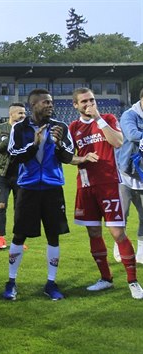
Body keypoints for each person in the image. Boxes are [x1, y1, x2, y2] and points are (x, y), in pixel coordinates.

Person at [68, 87, 143, 299]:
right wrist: (82, 159)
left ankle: (133, 281)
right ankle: (106, 279)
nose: (88, 104)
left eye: (91, 100)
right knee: (93, 233)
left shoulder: (108, 118)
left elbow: (118, 142)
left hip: (109, 184)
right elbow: (67, 157)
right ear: (75, 105)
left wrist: (98, 118)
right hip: (85, 187)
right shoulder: (73, 127)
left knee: (118, 232)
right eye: (83, 101)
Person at [3, 88, 74, 301]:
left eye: (51, 102)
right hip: (28, 188)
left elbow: (69, 156)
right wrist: (33, 144)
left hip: (53, 189)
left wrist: (59, 144)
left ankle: (51, 283)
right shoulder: (19, 128)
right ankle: (11, 281)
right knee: (19, 235)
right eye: (45, 102)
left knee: (53, 235)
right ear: (33, 105)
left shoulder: (61, 127)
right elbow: (14, 156)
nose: (50, 105)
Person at [0, 103, 26, 250]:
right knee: (1, 206)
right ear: (11, 114)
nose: (23, 116)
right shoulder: (1, 128)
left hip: (21, 175)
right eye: (20, 113)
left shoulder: (26, 130)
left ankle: (19, 240)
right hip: (3, 175)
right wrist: (12, 135)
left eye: (24, 113)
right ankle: (1, 238)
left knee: (20, 208)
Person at [115, 87, 143, 264]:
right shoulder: (129, 115)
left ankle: (141, 251)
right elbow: (132, 135)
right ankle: (119, 246)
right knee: (123, 214)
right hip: (126, 172)